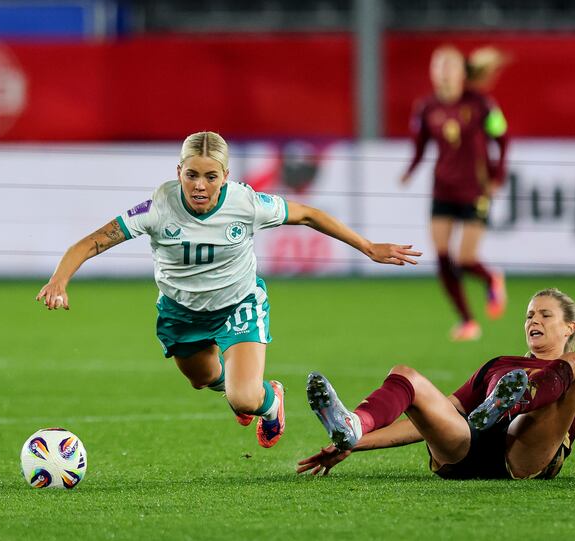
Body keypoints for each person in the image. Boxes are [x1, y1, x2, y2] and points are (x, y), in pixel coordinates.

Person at [36, 131, 421, 449]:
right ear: (179, 172)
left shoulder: (246, 202)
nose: (199, 185)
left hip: (238, 304)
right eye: (191, 175)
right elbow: (92, 242)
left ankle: (269, 401)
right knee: (201, 378)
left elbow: (309, 214)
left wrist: (367, 247)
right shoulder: (158, 207)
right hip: (181, 312)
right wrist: (59, 280)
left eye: (210, 176)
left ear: (225, 176)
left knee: (243, 399)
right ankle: (246, 387)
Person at [297, 288, 575, 479]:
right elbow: (429, 420)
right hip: (465, 448)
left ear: (569, 327)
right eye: (528, 315)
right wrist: (356, 443)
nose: (533, 320)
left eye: (544, 314)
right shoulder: (498, 365)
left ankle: (514, 403)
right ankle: (353, 423)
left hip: (524, 455)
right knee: (407, 375)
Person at [401, 45, 510, 342]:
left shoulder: (481, 104)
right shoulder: (426, 107)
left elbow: (502, 138)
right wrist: (410, 170)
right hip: (443, 188)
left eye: (450, 66)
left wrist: (498, 175)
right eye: (438, 66)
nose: (444, 72)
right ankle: (467, 321)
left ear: (462, 72)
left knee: (465, 259)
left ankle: (491, 278)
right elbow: (420, 145)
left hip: (475, 189)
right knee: (441, 256)